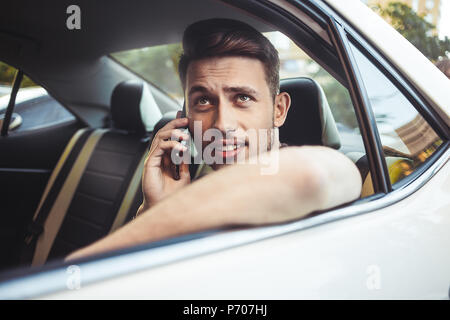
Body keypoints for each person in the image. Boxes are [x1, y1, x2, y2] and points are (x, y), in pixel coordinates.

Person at [66, 19, 362, 261]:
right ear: (184, 117)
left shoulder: (319, 169)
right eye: (204, 101)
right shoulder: (185, 188)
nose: (222, 124)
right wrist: (153, 208)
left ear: (279, 110)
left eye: (243, 98)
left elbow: (316, 174)